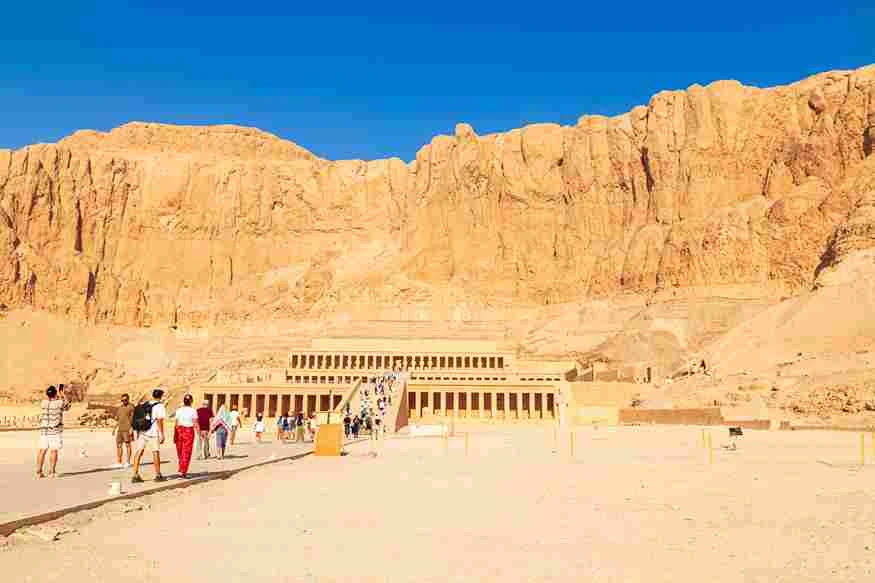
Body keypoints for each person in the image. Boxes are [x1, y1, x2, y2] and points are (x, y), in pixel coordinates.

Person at [132, 388, 167, 484]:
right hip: (153, 432)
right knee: (155, 452)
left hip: (142, 431)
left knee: (139, 451)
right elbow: (159, 420)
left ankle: (135, 474)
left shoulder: (146, 404)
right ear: (160, 396)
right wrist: (162, 434)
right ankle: (158, 474)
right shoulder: (160, 406)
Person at [36, 385, 71, 478]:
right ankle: (52, 472)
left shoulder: (43, 403)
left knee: (42, 450)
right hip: (54, 430)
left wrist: (55, 395)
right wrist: (62, 394)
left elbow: (48, 399)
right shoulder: (59, 403)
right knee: (53, 450)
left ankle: (39, 471)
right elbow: (67, 406)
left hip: (44, 430)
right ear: (56, 394)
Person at [173, 394, 198, 478]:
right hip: (188, 431)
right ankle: (183, 471)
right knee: (186, 451)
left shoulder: (178, 410)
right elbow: (195, 423)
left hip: (179, 430)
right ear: (191, 401)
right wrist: (199, 433)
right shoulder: (193, 411)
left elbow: (176, 423)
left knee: (180, 451)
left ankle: (181, 469)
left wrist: (175, 434)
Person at [113, 393, 134, 468]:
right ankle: (119, 462)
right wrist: (114, 428)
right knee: (118, 445)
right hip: (120, 429)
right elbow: (118, 419)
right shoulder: (120, 408)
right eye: (122, 400)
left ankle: (128, 462)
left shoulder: (131, 407)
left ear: (128, 399)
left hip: (127, 429)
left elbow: (133, 419)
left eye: (125, 400)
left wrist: (131, 428)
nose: (123, 401)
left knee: (128, 445)